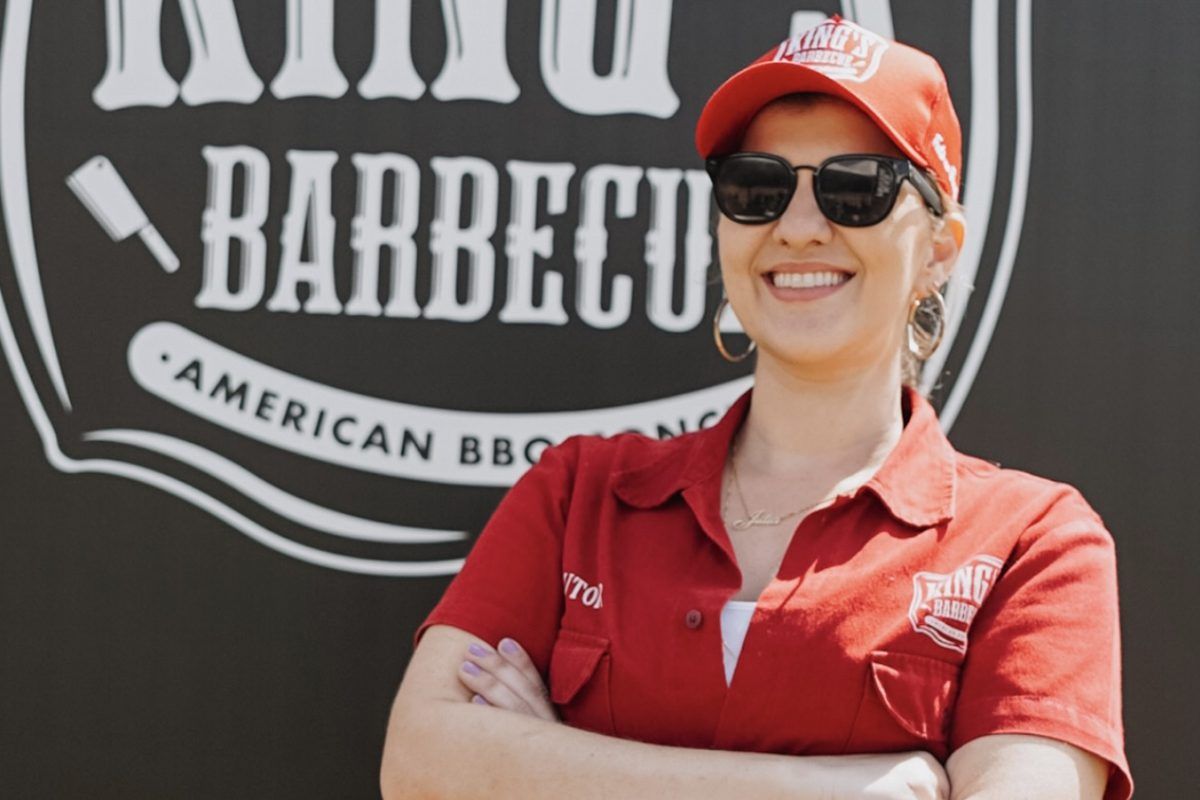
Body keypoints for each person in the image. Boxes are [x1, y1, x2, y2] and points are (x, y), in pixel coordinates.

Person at [380, 16, 1131, 800]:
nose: (800, 228)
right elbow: (422, 763)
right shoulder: (578, 494)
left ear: (938, 250)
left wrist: (543, 762)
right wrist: (841, 790)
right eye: (757, 188)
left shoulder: (1033, 544)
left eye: (856, 188)